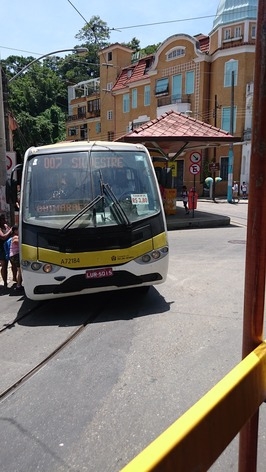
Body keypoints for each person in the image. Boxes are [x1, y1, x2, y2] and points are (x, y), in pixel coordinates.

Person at [0, 214, 12, 289]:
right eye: (2, 219)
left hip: (8, 247)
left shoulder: (5, 226)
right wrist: (10, 231)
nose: (4, 220)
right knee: (4, 265)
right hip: (1, 248)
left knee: (8, 264)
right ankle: (5, 282)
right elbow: (3, 237)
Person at [9, 225, 23, 291]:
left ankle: (19, 284)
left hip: (15, 255)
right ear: (15, 231)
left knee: (20, 270)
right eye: (18, 230)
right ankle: (18, 285)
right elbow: (16, 242)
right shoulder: (15, 237)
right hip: (15, 255)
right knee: (20, 270)